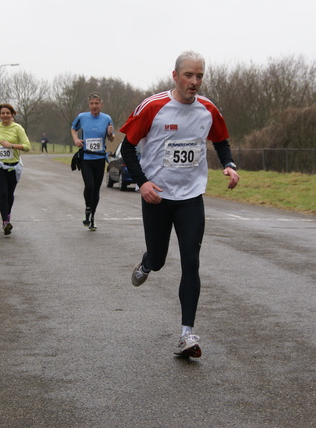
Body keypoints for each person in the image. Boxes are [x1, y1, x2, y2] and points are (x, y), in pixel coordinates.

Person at [120, 51, 240, 358]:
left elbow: (221, 139)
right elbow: (128, 147)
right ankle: (147, 263)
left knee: (191, 260)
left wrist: (228, 164)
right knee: (159, 259)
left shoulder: (208, 109)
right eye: (189, 75)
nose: (195, 82)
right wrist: (143, 182)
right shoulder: (154, 106)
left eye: (199, 76)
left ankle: (187, 335)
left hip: (190, 196)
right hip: (157, 196)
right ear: (175, 76)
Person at [0, 103, 31, 235]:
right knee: (3, 193)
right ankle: (5, 222)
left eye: (7, 113)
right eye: (2, 113)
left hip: (14, 165)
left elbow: (27, 147)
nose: (5, 115)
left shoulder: (18, 128)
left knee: (10, 194)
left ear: (12, 115)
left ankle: (7, 215)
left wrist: (11, 145)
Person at [71, 92, 115, 231]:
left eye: (97, 103)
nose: (94, 106)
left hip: (100, 159)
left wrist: (110, 133)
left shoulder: (107, 118)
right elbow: (73, 128)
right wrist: (76, 140)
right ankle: (87, 209)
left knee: (96, 189)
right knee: (89, 186)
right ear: (89, 105)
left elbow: (112, 138)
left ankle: (92, 217)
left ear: (101, 104)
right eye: (92, 104)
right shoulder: (82, 117)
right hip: (86, 158)